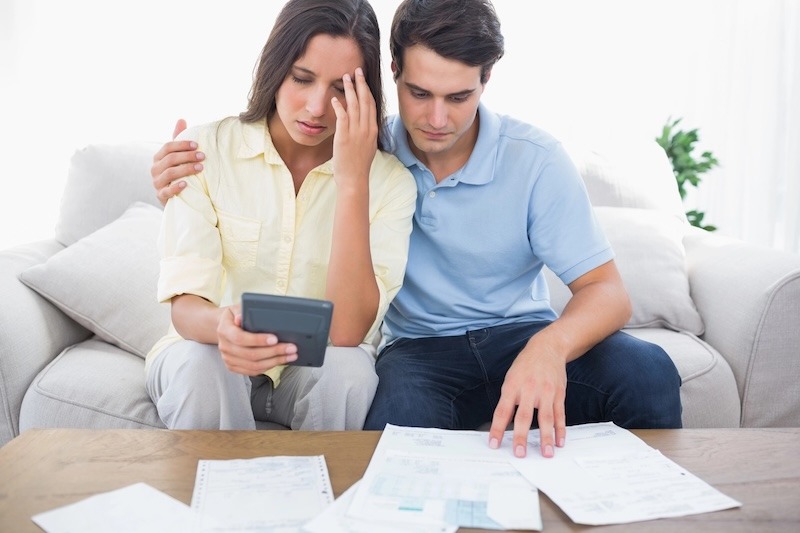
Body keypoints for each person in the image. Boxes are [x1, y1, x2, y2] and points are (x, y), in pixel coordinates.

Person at [151, 0, 682, 456]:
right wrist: (172, 177)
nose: (436, 120)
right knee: (395, 438)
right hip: (420, 351)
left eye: (459, 97)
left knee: (648, 370)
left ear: (486, 81)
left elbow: (608, 292)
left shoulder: (531, 160)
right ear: (393, 74)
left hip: (520, 334)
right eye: (420, 93)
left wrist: (549, 348)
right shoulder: (362, 148)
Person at [144, 0, 417, 432]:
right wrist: (224, 327)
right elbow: (185, 307)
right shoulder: (205, 152)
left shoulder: (390, 183)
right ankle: (214, 479)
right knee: (202, 364)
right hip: (212, 351)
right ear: (275, 69)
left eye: (340, 88)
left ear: (365, 94)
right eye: (302, 79)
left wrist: (352, 182)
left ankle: (324, 480)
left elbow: (348, 332)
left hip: (310, 369)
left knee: (349, 371)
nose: (317, 107)